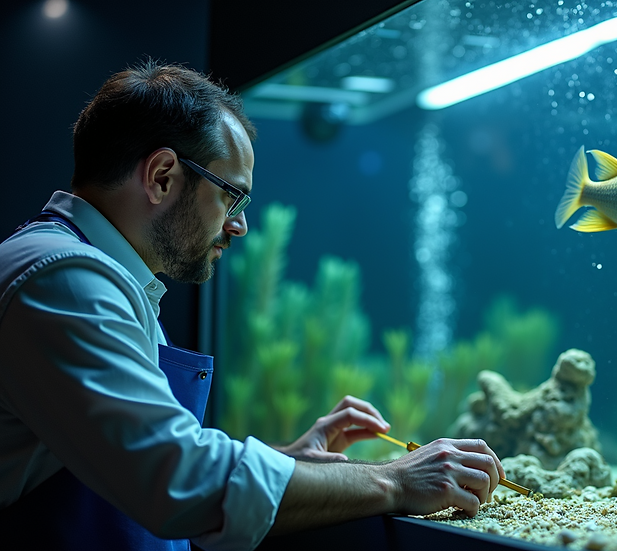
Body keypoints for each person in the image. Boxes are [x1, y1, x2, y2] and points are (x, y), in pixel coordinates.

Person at [0, 60, 504, 551]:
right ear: (160, 176)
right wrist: (395, 482)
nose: (239, 226)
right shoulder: (62, 279)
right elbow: (179, 480)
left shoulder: (95, 275)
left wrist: (293, 463)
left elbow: (125, 459)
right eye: (231, 197)